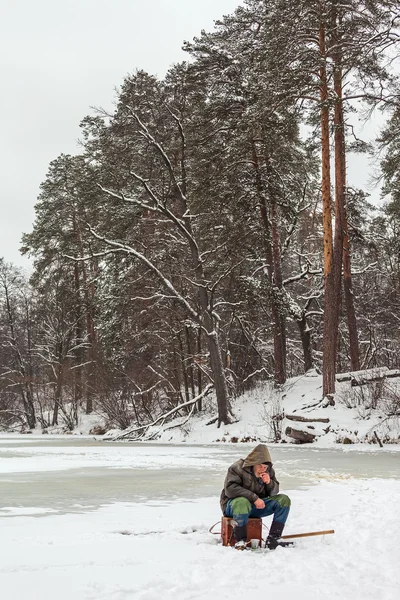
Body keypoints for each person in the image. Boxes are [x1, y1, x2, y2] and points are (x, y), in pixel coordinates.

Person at [220, 443, 291, 550]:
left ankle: (273, 539)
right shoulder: (237, 468)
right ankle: (240, 540)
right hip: (234, 507)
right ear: (253, 463)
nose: (262, 469)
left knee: (283, 500)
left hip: (256, 507)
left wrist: (269, 482)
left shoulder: (268, 471)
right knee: (242, 502)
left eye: (265, 467)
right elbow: (230, 489)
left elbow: (274, 493)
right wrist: (254, 498)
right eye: (260, 466)